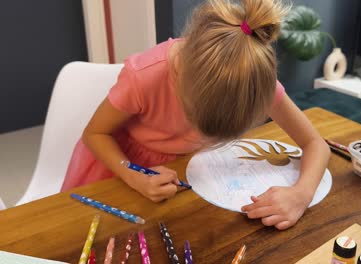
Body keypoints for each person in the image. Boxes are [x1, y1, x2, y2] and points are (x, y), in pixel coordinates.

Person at [62, 0, 330, 230]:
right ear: (183, 83)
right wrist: (134, 176)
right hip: (127, 165)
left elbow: (315, 143)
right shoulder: (145, 77)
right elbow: (95, 133)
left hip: (193, 170)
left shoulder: (252, 78)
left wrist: (301, 193)